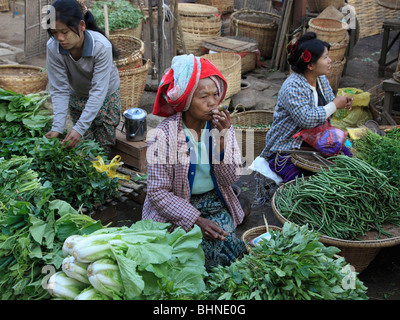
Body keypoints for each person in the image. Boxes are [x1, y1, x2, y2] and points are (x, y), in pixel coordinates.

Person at [142, 54, 246, 271]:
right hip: (175, 206)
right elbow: (158, 192)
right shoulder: (165, 134)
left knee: (222, 245)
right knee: (188, 254)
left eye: (215, 95)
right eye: (203, 97)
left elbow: (230, 178)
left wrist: (222, 140)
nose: (212, 102)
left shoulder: (221, 128)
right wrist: (197, 220)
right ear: (187, 100)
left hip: (213, 200)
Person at [260, 32, 353, 183]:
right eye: (325, 57)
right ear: (310, 65)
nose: (330, 61)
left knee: (349, 162)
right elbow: (306, 119)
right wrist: (335, 105)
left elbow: (329, 102)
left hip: (316, 140)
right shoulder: (293, 86)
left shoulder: (320, 79)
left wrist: (340, 103)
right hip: (286, 147)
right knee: (300, 183)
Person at [44, 0, 121, 155]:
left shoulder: (101, 47)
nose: (59, 38)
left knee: (102, 146)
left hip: (105, 96)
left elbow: (98, 90)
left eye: (65, 32)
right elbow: (59, 89)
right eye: (54, 32)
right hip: (77, 94)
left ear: (81, 26)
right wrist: (57, 127)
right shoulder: (53, 47)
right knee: (84, 146)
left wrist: (79, 128)